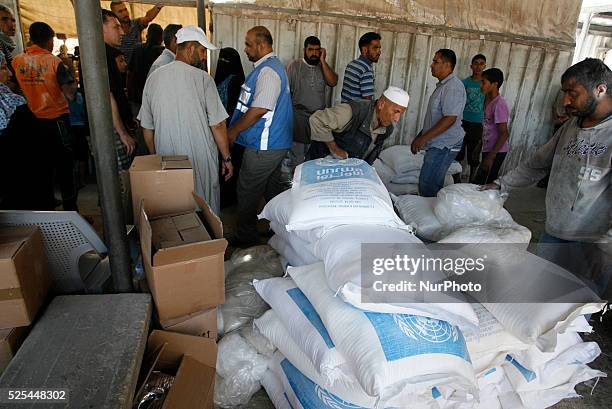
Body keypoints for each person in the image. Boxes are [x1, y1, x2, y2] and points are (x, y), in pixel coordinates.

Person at [482, 58, 611, 297]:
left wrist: (606, 249)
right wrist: (501, 183)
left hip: (590, 243)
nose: (565, 101)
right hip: (554, 232)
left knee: (576, 306)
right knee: (539, 296)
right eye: (565, 93)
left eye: (573, 93)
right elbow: (537, 164)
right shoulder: (571, 127)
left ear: (600, 89)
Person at [138, 26, 232, 214]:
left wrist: (157, 157)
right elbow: (218, 124)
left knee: (176, 210)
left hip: (168, 160)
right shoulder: (203, 79)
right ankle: (207, 242)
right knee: (204, 209)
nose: (204, 57)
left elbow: (147, 127)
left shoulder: (154, 78)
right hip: (201, 160)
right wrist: (227, 157)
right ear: (190, 49)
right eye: (202, 51)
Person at [227, 26, 293, 248]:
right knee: (273, 191)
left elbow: (259, 109)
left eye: (248, 44)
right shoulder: (267, 68)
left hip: (264, 145)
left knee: (247, 190)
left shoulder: (268, 72)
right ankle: (277, 233)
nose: (245, 49)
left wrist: (234, 130)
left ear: (261, 45)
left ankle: (246, 237)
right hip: (275, 143)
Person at [12, 22, 78, 211]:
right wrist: (69, 70)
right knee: (65, 169)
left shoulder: (18, 61)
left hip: (32, 123)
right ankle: (71, 212)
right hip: (57, 122)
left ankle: (46, 209)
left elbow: (16, 88)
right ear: (49, 39)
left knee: (42, 169)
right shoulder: (53, 62)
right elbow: (71, 95)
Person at [411, 49, 466, 197]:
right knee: (427, 182)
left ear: (447, 65)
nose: (431, 65)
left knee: (429, 185)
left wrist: (424, 138)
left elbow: (450, 118)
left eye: (436, 61)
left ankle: (433, 216)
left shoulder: (453, 87)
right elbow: (434, 118)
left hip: (445, 145)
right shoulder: (443, 86)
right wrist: (420, 135)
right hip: (438, 143)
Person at [307, 86, 409, 164]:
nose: (397, 119)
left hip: (346, 173)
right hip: (320, 164)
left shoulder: (387, 129)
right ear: (381, 105)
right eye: (396, 111)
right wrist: (334, 149)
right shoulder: (352, 111)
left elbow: (369, 156)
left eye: (401, 114)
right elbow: (317, 120)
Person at [286, 36, 338, 169]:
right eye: (311, 50)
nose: (314, 53)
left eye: (317, 50)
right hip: (299, 119)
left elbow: (333, 82)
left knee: (314, 160)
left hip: (319, 120)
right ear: (304, 50)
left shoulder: (323, 67)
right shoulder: (294, 66)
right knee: (296, 160)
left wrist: (323, 61)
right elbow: (285, 94)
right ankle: (294, 186)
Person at [0, 51, 39, 209]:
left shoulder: (13, 101)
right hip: (16, 188)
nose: (9, 73)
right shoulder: (16, 104)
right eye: (3, 68)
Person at [101, 9, 136, 172]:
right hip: (111, 131)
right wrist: (122, 133)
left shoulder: (109, 54)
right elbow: (107, 96)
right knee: (120, 181)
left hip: (116, 127)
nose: (122, 32)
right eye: (116, 27)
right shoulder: (101, 56)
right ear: (100, 28)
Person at [214, 47, 245, 208]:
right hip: (233, 133)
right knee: (232, 165)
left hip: (218, 132)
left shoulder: (215, 79)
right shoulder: (237, 80)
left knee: (222, 165)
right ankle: (230, 199)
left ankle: (223, 199)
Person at [473, 68, 509, 184]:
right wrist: (480, 146)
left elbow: (504, 133)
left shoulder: (499, 104)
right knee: (481, 181)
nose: (481, 85)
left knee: (485, 183)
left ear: (494, 84)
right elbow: (487, 127)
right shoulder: (487, 99)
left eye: (484, 82)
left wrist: (491, 156)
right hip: (488, 149)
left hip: (496, 151)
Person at [456, 54, 486, 182]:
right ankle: (456, 180)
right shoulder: (465, 83)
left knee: (474, 155)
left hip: (477, 123)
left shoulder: (486, 84)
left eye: (481, 63)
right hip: (463, 122)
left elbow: (489, 102)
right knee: (458, 152)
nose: (478, 66)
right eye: (476, 63)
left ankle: (471, 182)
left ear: (485, 66)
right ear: (471, 66)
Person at [110, 1, 164, 66]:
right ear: (113, 14)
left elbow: (148, 18)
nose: (125, 13)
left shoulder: (135, 24)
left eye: (125, 10)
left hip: (136, 68)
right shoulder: (112, 30)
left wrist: (159, 5)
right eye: (120, 11)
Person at [128, 23, 163, 109]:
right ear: (161, 38)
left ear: (147, 35)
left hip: (136, 95)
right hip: (152, 96)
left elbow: (130, 72)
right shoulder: (161, 52)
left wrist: (129, 93)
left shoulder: (137, 48)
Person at [341, 32, 381, 102]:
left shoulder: (351, 64)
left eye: (379, 48)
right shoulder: (366, 70)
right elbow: (367, 101)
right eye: (375, 48)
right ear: (364, 49)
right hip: (356, 112)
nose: (379, 52)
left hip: (344, 110)